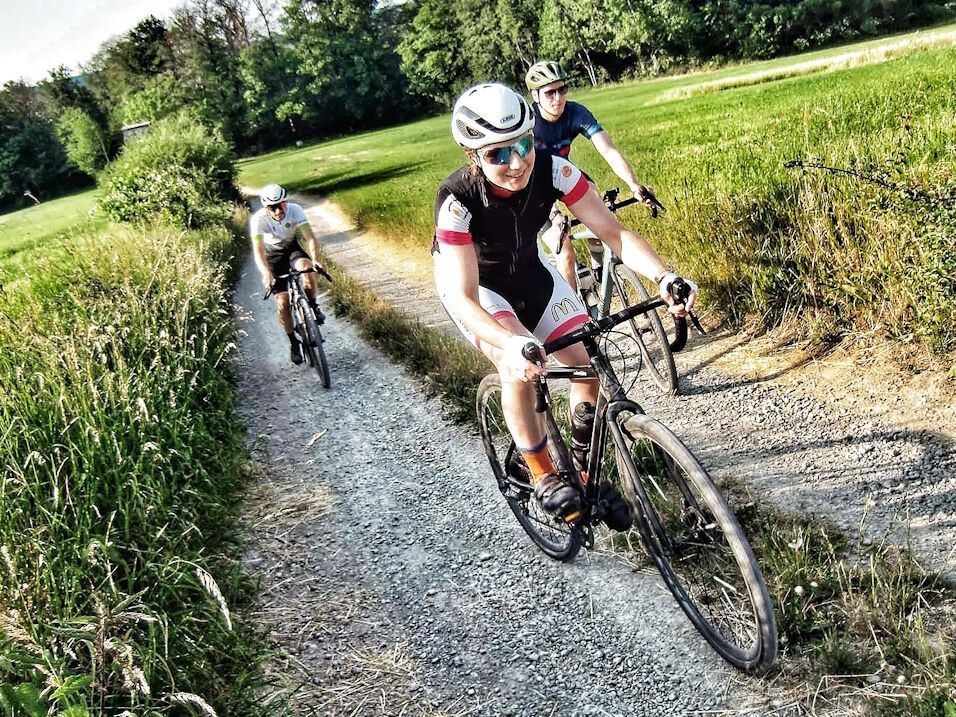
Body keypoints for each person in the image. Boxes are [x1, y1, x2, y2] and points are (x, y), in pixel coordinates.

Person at [433, 83, 698, 524]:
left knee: (583, 362)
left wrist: (665, 276)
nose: (516, 163)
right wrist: (511, 343)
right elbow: (462, 296)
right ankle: (540, 471)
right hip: (479, 288)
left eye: (522, 144)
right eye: (498, 154)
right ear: (472, 154)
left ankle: (583, 471)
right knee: (515, 362)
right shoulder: (457, 200)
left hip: (531, 274)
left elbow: (613, 233)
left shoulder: (555, 171)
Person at [525, 60, 659, 290]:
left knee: (599, 207)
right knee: (565, 253)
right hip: (533, 187)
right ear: (535, 96)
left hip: (563, 173)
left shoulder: (576, 112)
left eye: (562, 89)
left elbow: (608, 150)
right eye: (549, 93)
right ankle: (574, 320)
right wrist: (553, 212)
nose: (558, 98)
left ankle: (599, 268)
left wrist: (635, 185)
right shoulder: (528, 122)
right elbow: (522, 172)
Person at [250, 183, 328, 365]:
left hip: (291, 249)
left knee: (307, 268)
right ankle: (294, 343)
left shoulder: (295, 209)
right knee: (283, 303)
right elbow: (258, 250)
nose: (278, 211)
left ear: (286, 201)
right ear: (265, 207)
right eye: (272, 207)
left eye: (282, 204)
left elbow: (310, 237)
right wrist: (266, 273)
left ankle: (313, 305)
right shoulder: (258, 220)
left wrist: (316, 259)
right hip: (272, 256)